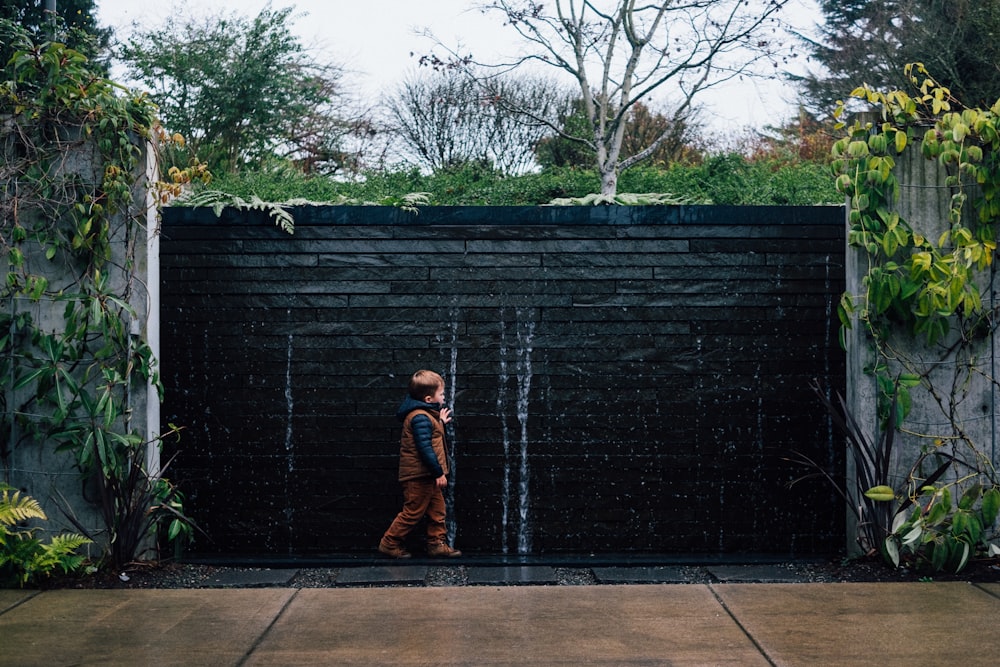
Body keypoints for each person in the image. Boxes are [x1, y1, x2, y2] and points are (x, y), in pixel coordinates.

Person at [378, 370, 462, 558]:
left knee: (437, 511)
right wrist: (438, 473)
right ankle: (389, 543)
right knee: (413, 512)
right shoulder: (419, 417)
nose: (444, 397)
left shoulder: (426, 416)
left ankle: (436, 544)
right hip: (419, 476)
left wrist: (440, 422)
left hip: (427, 476)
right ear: (428, 398)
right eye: (441, 394)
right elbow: (425, 448)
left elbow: (430, 436)